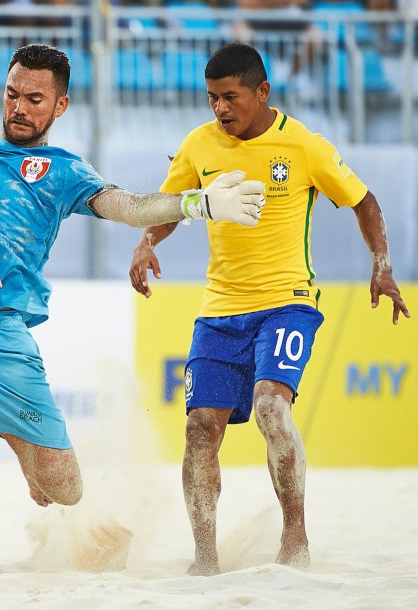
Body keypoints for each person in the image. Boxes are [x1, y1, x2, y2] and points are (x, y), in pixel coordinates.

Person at [0, 43, 265, 514]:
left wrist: (196, 203)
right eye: (11, 94)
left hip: (1, 339)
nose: (19, 108)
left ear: (61, 105)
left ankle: (13, 435)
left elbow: (128, 206)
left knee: (65, 491)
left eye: (34, 100)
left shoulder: (64, 171)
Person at [128, 42, 410, 576]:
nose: (220, 109)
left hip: (288, 302)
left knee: (270, 409)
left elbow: (364, 201)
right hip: (219, 309)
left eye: (230, 97)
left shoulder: (302, 145)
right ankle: (205, 560)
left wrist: (382, 265)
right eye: (211, 98)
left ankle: (295, 539)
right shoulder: (198, 144)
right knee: (199, 429)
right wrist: (147, 242)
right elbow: (170, 205)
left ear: (262, 92)